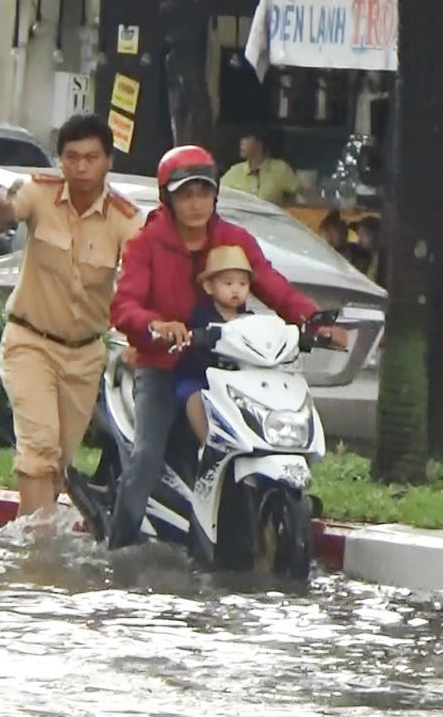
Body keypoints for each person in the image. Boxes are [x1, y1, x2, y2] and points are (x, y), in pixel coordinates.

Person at [107, 145, 348, 550]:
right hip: (163, 367)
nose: (197, 203)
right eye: (186, 194)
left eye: (204, 192)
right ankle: (118, 547)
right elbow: (124, 305)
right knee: (146, 458)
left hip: (230, 367)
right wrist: (156, 326)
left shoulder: (234, 240)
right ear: (168, 198)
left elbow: (273, 286)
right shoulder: (145, 244)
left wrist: (312, 322)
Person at [0, 113, 143, 519]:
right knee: (39, 450)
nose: (82, 168)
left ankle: (37, 542)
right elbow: (3, 211)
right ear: (60, 161)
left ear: (109, 161)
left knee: (59, 464)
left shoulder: (126, 219)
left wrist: (139, 339)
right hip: (29, 341)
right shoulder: (40, 192)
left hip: (85, 355)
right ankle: (38, 547)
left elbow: (139, 283)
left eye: (92, 157)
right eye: (72, 157)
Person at [175, 245, 255, 445]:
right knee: (192, 395)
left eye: (242, 284)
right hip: (201, 377)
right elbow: (191, 341)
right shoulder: (201, 315)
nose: (236, 289)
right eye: (228, 283)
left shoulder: (249, 319)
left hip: (237, 382)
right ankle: (208, 443)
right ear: (210, 287)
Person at [220, 127, 303, 208]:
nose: (241, 142)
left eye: (246, 138)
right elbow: (218, 194)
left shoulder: (279, 169)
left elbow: (302, 196)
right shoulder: (235, 171)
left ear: (259, 143)